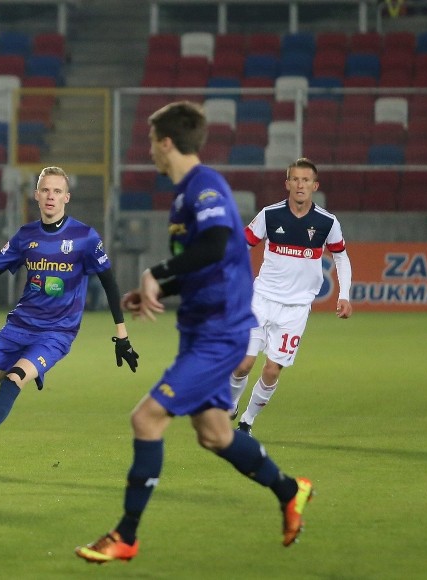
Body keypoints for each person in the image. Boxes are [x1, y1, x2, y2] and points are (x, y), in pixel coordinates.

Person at [75, 102, 313, 564]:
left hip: (219, 335)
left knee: (146, 419)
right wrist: (158, 288)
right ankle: (290, 490)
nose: (150, 152)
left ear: (167, 142)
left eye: (151, 143)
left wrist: (158, 272)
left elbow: (218, 242)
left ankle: (126, 534)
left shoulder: (204, 187)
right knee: (216, 435)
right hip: (201, 329)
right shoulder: (185, 194)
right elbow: (211, 262)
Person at [0, 166, 139, 477]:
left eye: (57, 191)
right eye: (45, 190)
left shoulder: (84, 237)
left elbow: (109, 282)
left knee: (15, 378)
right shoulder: (26, 236)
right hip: (18, 327)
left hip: (56, 333)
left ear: (67, 197)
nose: (50, 196)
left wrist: (122, 334)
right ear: (36, 195)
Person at [231, 158, 352, 435]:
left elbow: (341, 257)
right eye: (295, 179)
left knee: (272, 370)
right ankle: (230, 403)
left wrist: (344, 294)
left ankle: (247, 421)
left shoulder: (327, 222)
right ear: (287, 184)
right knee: (243, 363)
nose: (300, 185)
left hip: (296, 309)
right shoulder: (269, 215)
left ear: (315, 186)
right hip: (260, 300)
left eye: (306, 180)